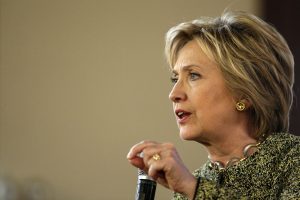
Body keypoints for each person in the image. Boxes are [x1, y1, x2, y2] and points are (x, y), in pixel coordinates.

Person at [127, 11, 300, 199]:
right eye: (175, 78)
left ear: (244, 94)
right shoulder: (189, 187)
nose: (173, 94)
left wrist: (195, 190)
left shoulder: (292, 160)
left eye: (193, 75)